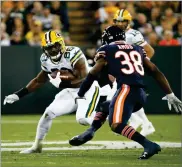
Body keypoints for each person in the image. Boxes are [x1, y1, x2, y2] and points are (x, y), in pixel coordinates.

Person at [69, 26, 182, 159]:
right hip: (140, 93)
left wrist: (81, 93)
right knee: (105, 106)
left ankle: (149, 145)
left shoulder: (106, 49)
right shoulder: (137, 48)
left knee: (116, 125)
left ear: (108, 37)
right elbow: (155, 71)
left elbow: (93, 73)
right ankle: (90, 131)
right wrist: (170, 93)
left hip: (126, 90)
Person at [4, 30, 101, 153]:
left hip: (88, 89)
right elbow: (39, 80)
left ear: (61, 44)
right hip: (71, 91)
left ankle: (105, 117)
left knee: (82, 119)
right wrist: (18, 95)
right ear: (44, 49)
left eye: (55, 45)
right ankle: (37, 146)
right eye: (49, 47)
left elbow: (84, 79)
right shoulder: (45, 59)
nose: (54, 50)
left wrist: (63, 82)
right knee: (48, 113)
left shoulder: (73, 53)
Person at [112, 9, 156, 136]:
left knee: (120, 96)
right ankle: (143, 122)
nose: (120, 24)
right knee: (126, 96)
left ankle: (136, 121)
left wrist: (139, 65)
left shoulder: (133, 34)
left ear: (128, 22)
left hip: (129, 72)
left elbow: (150, 50)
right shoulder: (112, 33)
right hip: (119, 71)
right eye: (118, 21)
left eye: (123, 21)